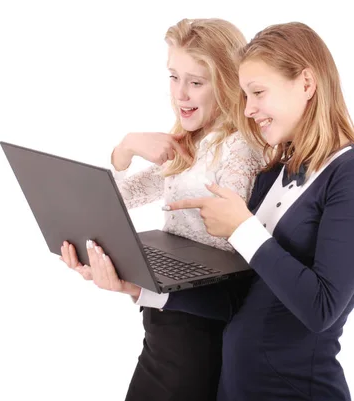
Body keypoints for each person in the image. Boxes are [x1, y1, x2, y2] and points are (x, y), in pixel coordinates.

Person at [86, 22, 354, 400]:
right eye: (245, 95)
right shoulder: (277, 173)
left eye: (258, 93)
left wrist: (243, 228)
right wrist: (137, 288)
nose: (248, 110)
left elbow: (321, 308)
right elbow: (238, 296)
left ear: (307, 84)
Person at [59, 18, 264, 401]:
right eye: (173, 77)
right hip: (165, 322)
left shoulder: (240, 148)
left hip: (200, 330)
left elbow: (230, 239)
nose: (180, 94)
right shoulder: (192, 142)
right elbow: (117, 198)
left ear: (227, 83)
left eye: (196, 82)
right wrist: (125, 149)